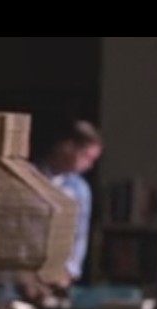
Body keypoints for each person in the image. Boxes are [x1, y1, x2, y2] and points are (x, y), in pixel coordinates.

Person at [34, 119, 103, 289]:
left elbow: (79, 233)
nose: (89, 165)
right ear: (68, 146)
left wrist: (70, 272)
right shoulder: (30, 177)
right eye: (86, 156)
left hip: (57, 273)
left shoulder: (80, 190)